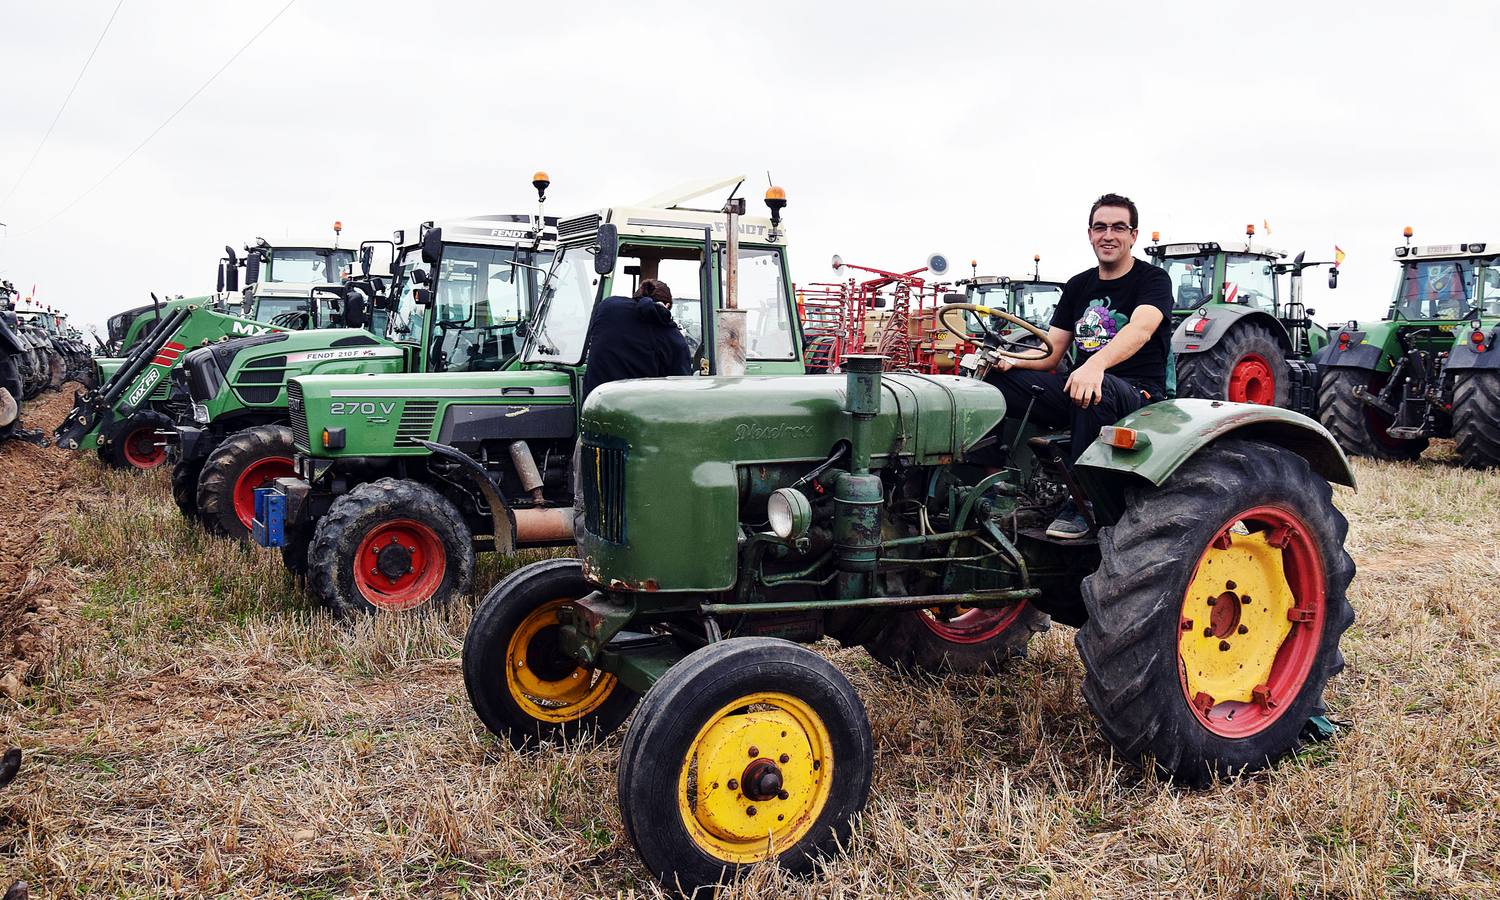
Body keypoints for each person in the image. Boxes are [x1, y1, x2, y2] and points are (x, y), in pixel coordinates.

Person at [985, 192, 1173, 539]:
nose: (1108, 235)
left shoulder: (1153, 280)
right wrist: (1011, 361)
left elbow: (1141, 328)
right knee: (992, 382)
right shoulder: (1078, 285)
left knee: (1092, 388)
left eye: (1119, 227)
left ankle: (1084, 501)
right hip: (1082, 387)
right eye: (1100, 227)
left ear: (1133, 235)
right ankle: (990, 481)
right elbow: (1052, 353)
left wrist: (1095, 365)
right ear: (1089, 234)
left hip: (1138, 394)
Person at [573, 278, 693, 540]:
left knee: (587, 504)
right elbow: (683, 393)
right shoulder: (672, 340)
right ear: (668, 305)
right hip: (637, 441)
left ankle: (586, 562)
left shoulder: (607, 309)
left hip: (593, 429)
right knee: (631, 510)